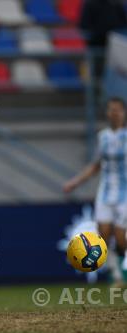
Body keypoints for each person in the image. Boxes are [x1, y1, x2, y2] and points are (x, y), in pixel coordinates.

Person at [64, 97, 127, 287]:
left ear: (124, 113)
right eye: (111, 110)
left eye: (118, 110)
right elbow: (96, 165)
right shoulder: (103, 136)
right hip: (105, 193)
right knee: (103, 236)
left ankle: (121, 269)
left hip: (124, 193)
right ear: (107, 113)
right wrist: (75, 182)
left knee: (121, 238)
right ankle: (116, 276)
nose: (114, 113)